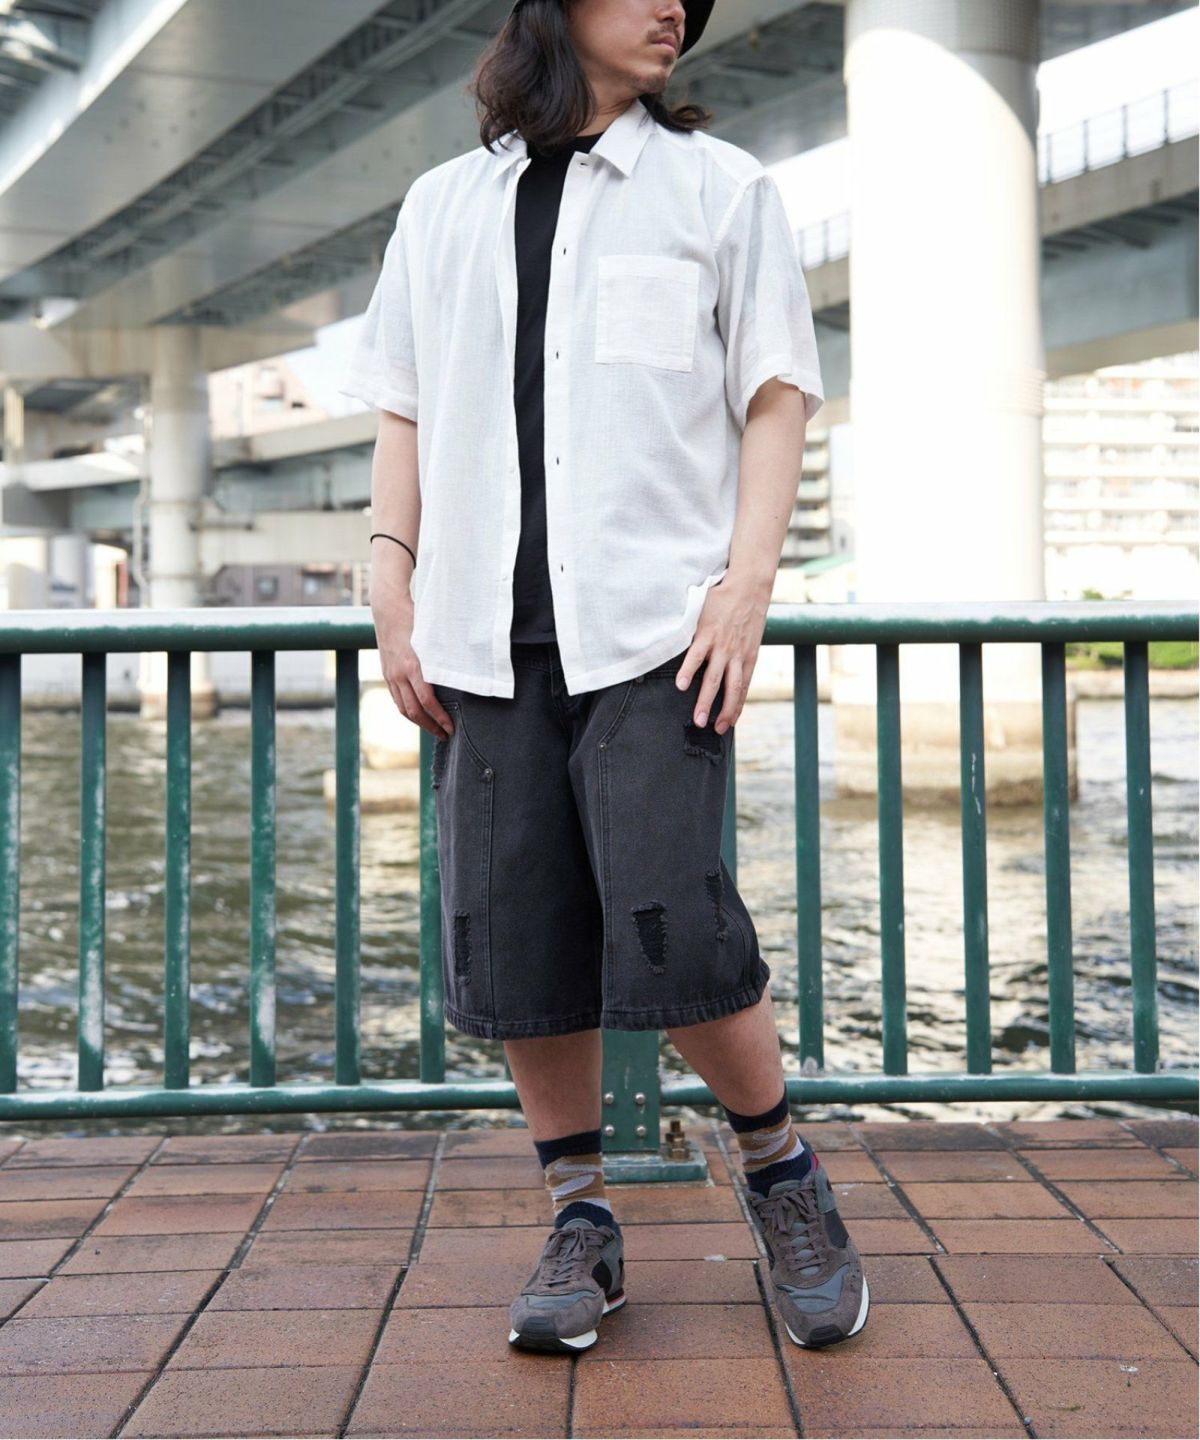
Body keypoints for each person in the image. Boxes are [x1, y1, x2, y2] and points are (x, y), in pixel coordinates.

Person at [340, 0, 869, 1356]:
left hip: (655, 629)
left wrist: (747, 584)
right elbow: (404, 405)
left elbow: (776, 393)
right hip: (481, 631)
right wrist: (390, 575)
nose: (674, 8)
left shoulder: (721, 188)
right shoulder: (443, 207)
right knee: (519, 936)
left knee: (676, 922)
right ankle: (580, 1218)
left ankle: (783, 1175)